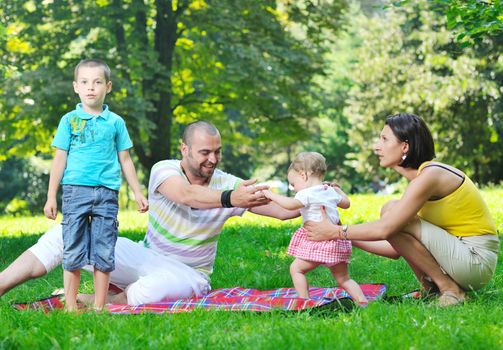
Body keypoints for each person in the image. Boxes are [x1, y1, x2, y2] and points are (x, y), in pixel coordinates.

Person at [0, 121, 298, 306]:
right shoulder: (164, 170)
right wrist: (231, 198)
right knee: (66, 234)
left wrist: (314, 194)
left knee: (152, 289)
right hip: (147, 257)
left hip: (190, 275)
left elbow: (283, 213)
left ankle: (95, 301)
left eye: (217, 151)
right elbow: (186, 195)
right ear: (185, 149)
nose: (213, 159)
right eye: (205, 152)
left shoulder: (228, 183)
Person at [305, 113, 500, 307]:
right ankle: (432, 291)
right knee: (391, 211)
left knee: (391, 211)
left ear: (404, 146)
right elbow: (395, 248)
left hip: (475, 260)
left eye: (384, 139)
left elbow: (385, 229)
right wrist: (338, 233)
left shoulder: (430, 176)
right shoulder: (420, 179)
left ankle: (451, 291)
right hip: (461, 257)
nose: (376, 146)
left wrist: (336, 231)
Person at [42, 59, 149, 311]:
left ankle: (100, 308)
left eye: (97, 82)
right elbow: (59, 159)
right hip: (75, 192)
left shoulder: (115, 122)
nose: (91, 87)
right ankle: (70, 307)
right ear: (75, 87)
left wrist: (137, 192)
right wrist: (51, 196)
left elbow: (125, 158)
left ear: (108, 86)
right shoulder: (68, 121)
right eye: (85, 82)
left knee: (104, 249)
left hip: (107, 194)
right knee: (73, 249)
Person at [263, 152, 367, 304]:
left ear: (303, 175)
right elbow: (346, 203)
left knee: (296, 269)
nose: (294, 189)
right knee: (344, 279)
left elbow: (290, 204)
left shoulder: (306, 193)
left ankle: (304, 302)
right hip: (336, 241)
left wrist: (271, 195)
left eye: (293, 184)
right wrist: (338, 190)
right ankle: (362, 301)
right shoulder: (328, 190)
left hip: (317, 242)